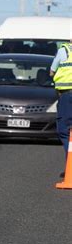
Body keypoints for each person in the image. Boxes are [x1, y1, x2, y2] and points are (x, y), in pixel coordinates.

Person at [50, 41, 72, 170]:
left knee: (64, 130)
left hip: (67, 95)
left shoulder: (64, 51)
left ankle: (70, 164)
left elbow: (52, 71)